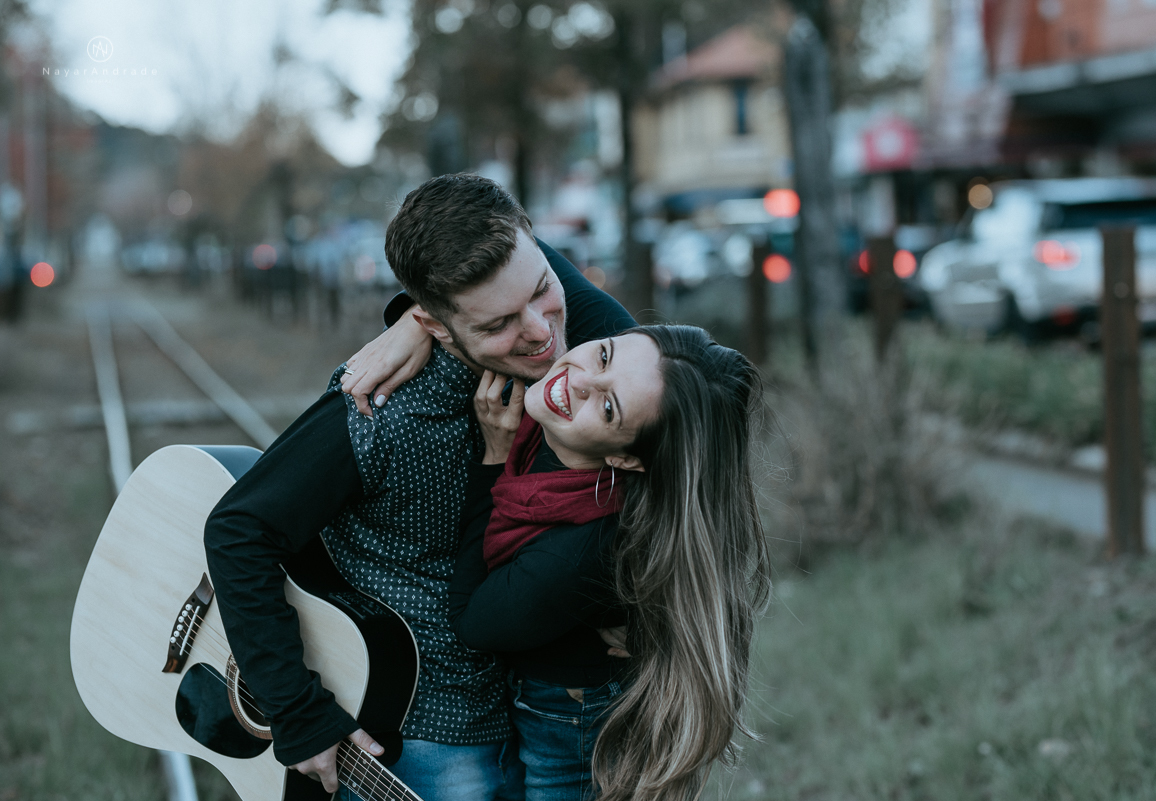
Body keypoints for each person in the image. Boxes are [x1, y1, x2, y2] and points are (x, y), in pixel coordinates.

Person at [204, 173, 635, 801]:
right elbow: (239, 528)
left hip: (545, 719)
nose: (542, 333)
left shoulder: (583, 371)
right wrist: (296, 711)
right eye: (498, 324)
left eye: (543, 288)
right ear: (438, 325)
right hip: (430, 735)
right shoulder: (382, 409)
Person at [446, 325, 771, 801]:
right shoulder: (618, 368)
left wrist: (495, 457)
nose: (578, 382)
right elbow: (519, 278)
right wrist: (411, 323)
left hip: (567, 726)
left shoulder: (577, 553)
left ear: (626, 458)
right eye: (603, 356)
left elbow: (471, 621)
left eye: (608, 408)